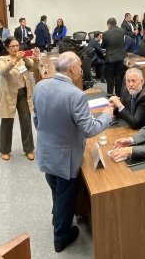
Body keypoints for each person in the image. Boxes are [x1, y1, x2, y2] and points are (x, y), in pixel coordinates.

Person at [33, 52, 113, 253]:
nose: (81, 69)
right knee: (67, 196)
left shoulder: (41, 85)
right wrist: (106, 116)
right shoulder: (75, 94)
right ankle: (61, 236)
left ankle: (57, 218)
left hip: (45, 150)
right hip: (65, 157)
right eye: (79, 66)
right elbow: (89, 130)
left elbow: (37, 119)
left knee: (55, 188)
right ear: (72, 69)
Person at [0, 37, 39, 161]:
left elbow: (32, 68)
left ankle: (29, 149)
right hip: (9, 94)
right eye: (12, 46)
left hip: (23, 93)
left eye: (17, 46)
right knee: (7, 122)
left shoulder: (23, 58)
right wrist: (15, 60)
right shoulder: (2, 59)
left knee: (26, 120)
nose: (16, 48)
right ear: (7, 48)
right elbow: (3, 72)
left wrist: (35, 59)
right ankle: (4, 150)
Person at [101, 17, 127, 95]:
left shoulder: (105, 33)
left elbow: (103, 46)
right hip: (120, 58)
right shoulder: (122, 31)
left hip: (111, 58)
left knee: (110, 77)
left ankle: (110, 94)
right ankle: (118, 94)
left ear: (109, 24)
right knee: (119, 76)